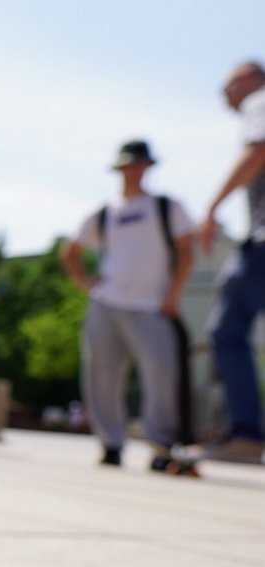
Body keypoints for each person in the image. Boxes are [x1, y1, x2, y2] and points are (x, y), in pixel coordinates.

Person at [61, 141, 195, 471]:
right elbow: (70, 252)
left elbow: (186, 252)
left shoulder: (166, 207)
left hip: (152, 305)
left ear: (148, 167)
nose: (134, 170)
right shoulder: (105, 211)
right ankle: (110, 444)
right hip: (106, 304)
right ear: (119, 169)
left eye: (140, 164)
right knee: (101, 376)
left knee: (162, 373)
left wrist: (172, 296)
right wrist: (87, 284)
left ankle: (162, 444)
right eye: (128, 165)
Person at [197, 61, 265, 464]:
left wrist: (212, 207)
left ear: (247, 80)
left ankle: (245, 433)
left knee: (226, 330)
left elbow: (257, 150)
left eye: (227, 86)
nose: (224, 96)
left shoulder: (260, 100)